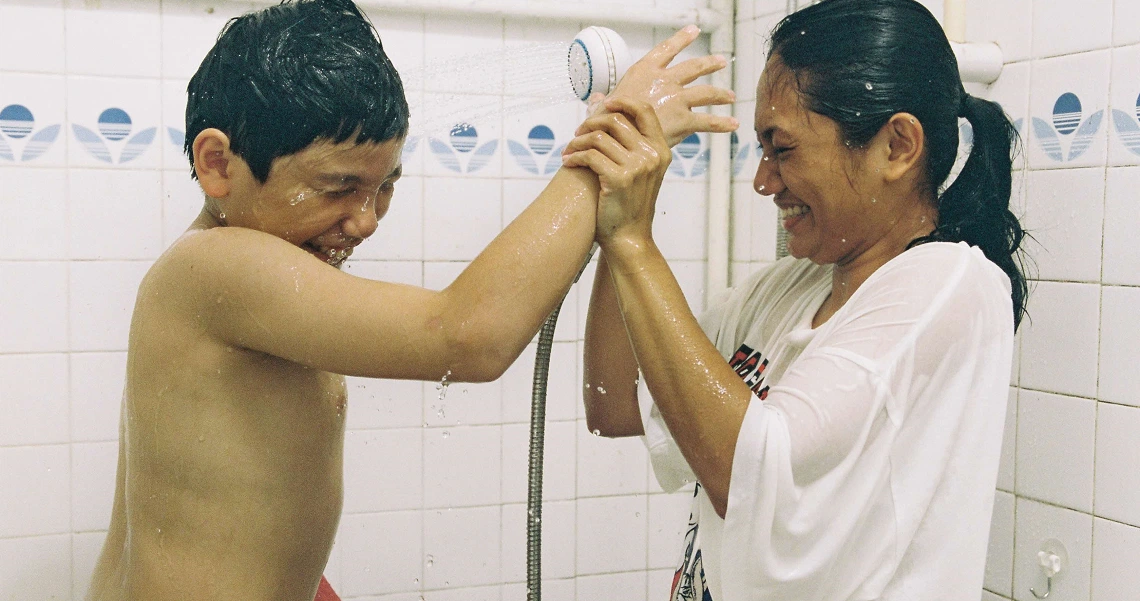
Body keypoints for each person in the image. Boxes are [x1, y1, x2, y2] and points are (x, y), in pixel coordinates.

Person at [83, 1, 737, 599]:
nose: (365, 220)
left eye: (383, 187)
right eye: (339, 186)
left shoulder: (257, 286)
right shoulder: (211, 269)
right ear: (218, 164)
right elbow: (466, 334)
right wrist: (616, 142)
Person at [568, 0, 1029, 599]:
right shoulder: (787, 288)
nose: (763, 180)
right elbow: (617, 407)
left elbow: (756, 473)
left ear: (897, 146)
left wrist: (633, 244)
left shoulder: (949, 287)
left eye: (781, 149)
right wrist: (622, 221)